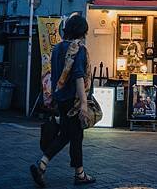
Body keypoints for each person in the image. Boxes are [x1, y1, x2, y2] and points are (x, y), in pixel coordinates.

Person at [30, 14, 95, 187]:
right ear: (82, 32)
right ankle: (78, 174)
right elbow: (79, 76)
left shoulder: (57, 48)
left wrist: (52, 97)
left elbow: (54, 74)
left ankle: (43, 164)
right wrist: (83, 104)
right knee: (76, 135)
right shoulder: (78, 49)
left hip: (60, 99)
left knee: (68, 134)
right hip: (73, 100)